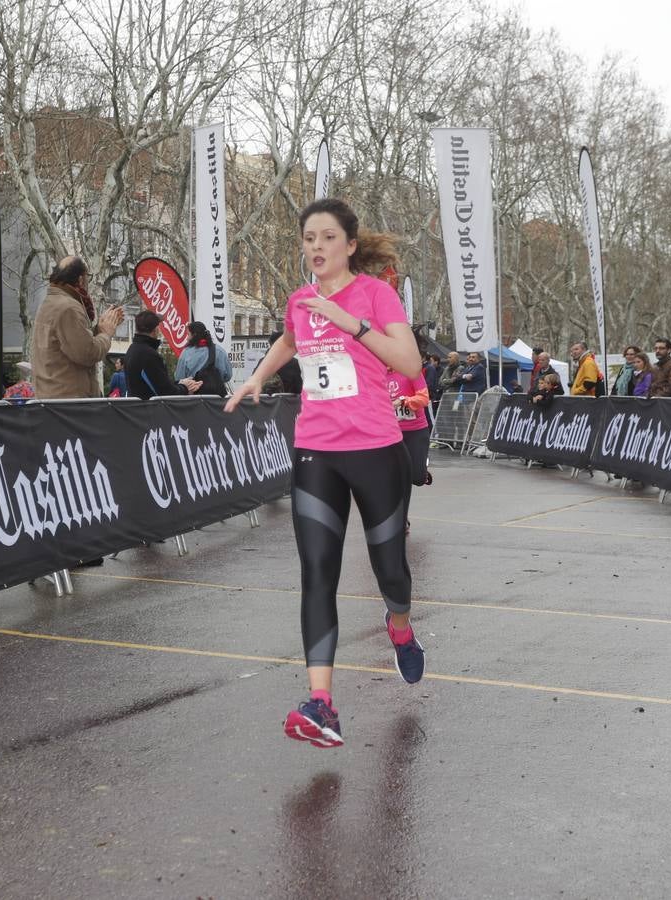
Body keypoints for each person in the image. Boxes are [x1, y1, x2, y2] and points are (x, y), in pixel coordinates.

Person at [225, 197, 424, 749]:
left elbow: (409, 365)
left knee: (391, 573)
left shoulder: (376, 295)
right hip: (316, 450)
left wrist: (351, 323)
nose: (316, 246)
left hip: (377, 451)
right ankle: (322, 704)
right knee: (318, 571)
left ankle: (400, 628)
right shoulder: (299, 300)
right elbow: (290, 339)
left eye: (327, 237)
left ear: (350, 246)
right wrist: (257, 378)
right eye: (309, 238)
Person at [31, 255, 124, 399]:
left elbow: (73, 345)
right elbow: (87, 353)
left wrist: (99, 329)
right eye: (88, 277)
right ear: (81, 279)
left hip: (54, 400)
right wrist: (106, 334)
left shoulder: (50, 303)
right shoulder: (68, 308)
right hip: (70, 404)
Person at [125, 310, 198, 400]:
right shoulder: (149, 355)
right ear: (155, 330)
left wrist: (180, 383)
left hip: (136, 409)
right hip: (150, 410)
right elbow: (166, 393)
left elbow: (157, 384)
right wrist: (185, 388)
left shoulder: (132, 349)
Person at [388, 363, 432, 490]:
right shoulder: (377, 374)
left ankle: (421, 466)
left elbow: (423, 399)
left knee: (418, 478)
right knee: (392, 477)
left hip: (416, 430)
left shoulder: (411, 371)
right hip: (391, 432)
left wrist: (402, 401)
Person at [174, 321, 233, 396]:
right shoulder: (220, 351)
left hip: (194, 399)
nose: (187, 338)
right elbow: (228, 375)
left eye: (188, 334)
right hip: (217, 399)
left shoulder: (186, 353)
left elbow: (179, 378)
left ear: (194, 335)